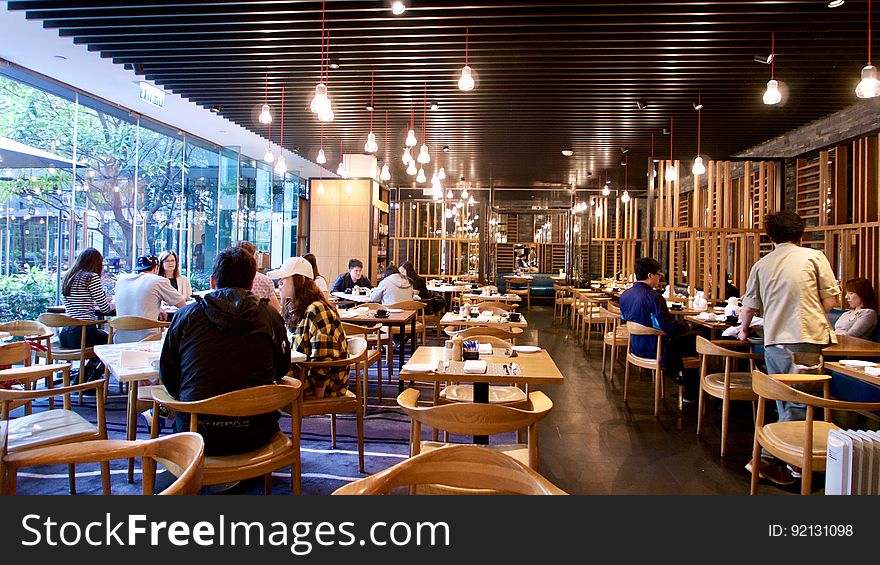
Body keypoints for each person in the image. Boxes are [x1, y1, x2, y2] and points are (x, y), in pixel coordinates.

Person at [737, 210, 840, 485]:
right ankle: (782, 463)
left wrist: (745, 330)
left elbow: (748, 308)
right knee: (799, 402)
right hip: (806, 337)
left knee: (784, 399)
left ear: (771, 237)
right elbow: (829, 302)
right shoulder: (814, 257)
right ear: (801, 233)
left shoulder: (762, 264)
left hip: (773, 342)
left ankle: (777, 458)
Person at [159, 246, 290, 455]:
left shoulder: (185, 317)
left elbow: (168, 374)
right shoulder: (271, 317)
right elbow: (281, 368)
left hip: (196, 432)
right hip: (256, 432)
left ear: (212, 281)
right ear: (251, 283)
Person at [619, 257, 699, 401]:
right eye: (658, 274)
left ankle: (680, 377)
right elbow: (668, 327)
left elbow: (625, 318)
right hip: (655, 349)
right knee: (694, 343)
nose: (659, 278)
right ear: (650, 276)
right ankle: (691, 391)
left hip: (635, 346)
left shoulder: (625, 295)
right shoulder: (655, 297)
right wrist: (687, 325)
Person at [269, 256, 348, 399]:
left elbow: (323, 360)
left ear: (301, 280)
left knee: (261, 382)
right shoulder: (295, 306)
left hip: (323, 385)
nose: (279, 282)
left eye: (284, 278)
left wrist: (318, 396)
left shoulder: (317, 309)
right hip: (302, 373)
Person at [60, 247, 115, 384]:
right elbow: (105, 309)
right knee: (111, 341)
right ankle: (90, 378)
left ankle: (83, 375)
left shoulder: (69, 276)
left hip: (65, 334)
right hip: (82, 333)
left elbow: (78, 301)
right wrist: (115, 304)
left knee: (103, 338)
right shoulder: (91, 277)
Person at [113, 254, 187, 343]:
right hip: (148, 340)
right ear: (156, 268)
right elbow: (182, 305)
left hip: (120, 340)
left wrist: (157, 308)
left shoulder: (121, 280)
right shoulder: (158, 280)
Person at [235, 241, 282, 314]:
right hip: (259, 322)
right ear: (253, 257)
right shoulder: (265, 280)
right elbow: (277, 310)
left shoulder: (229, 278)